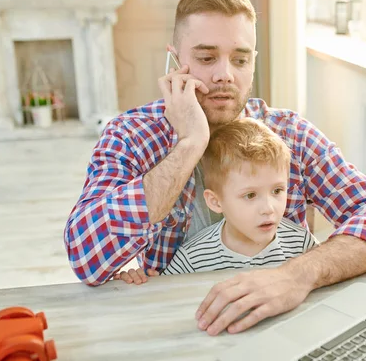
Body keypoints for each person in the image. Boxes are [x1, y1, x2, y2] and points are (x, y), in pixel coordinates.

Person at [64, 0, 366, 336]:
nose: (224, 75)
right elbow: (85, 256)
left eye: (240, 59)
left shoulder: (289, 133)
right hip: (183, 328)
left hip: (281, 328)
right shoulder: (131, 135)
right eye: (205, 58)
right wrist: (190, 144)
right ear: (174, 61)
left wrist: (297, 275)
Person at [115, 118, 318, 278]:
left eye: (277, 191)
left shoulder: (301, 243)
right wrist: (141, 282)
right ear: (215, 201)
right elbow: (166, 297)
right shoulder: (193, 257)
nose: (268, 208)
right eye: (250, 195)